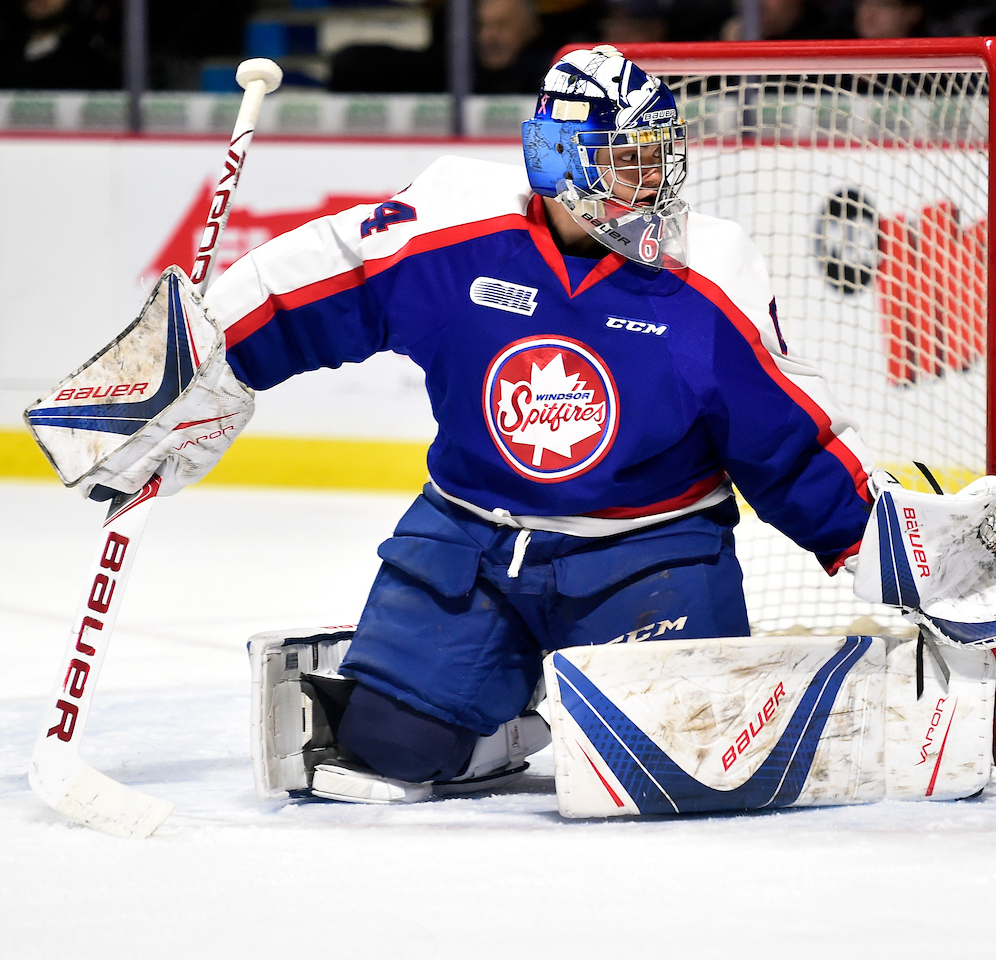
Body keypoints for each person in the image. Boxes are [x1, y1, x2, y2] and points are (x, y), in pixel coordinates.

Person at [205, 46, 876, 802]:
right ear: (557, 161)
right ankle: (490, 725)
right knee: (383, 749)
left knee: (678, 769)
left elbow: (786, 437)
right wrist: (195, 363)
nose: (646, 183)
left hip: (650, 554)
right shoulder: (453, 222)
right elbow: (319, 283)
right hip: (472, 541)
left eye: (654, 158)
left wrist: (884, 539)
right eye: (622, 161)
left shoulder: (708, 266)